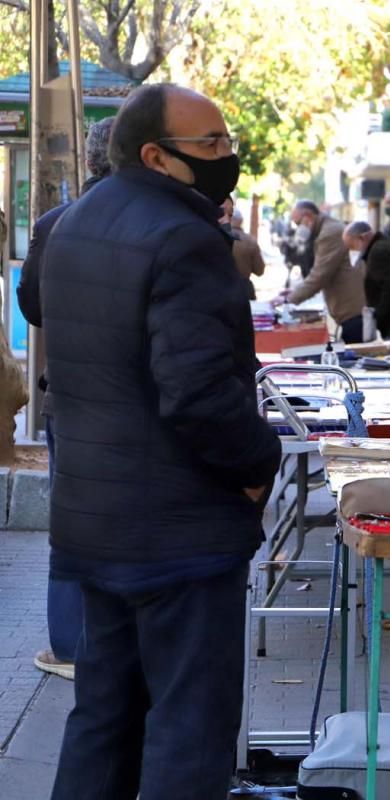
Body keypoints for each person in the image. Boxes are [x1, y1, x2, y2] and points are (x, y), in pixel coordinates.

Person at [41, 83, 282, 800]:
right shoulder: (187, 240)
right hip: (179, 531)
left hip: (95, 520)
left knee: (103, 715)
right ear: (156, 155)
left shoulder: (73, 226)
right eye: (210, 145)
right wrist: (257, 462)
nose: (227, 157)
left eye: (226, 141)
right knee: (189, 725)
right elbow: (199, 393)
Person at [20, 115, 115, 683]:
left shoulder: (54, 223)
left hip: (73, 397)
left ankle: (70, 648)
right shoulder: (168, 224)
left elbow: (33, 307)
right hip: (137, 403)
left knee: (71, 522)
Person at [271, 200, 367, 343]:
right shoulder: (325, 230)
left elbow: (320, 275)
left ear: (308, 216)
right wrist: (293, 292)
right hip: (348, 310)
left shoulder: (329, 233)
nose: (297, 228)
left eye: (298, 223)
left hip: (351, 312)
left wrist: (289, 299)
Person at [221, 197, 266, 300]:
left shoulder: (215, 235)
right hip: (244, 290)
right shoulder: (250, 241)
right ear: (241, 221)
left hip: (220, 290)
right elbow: (260, 271)